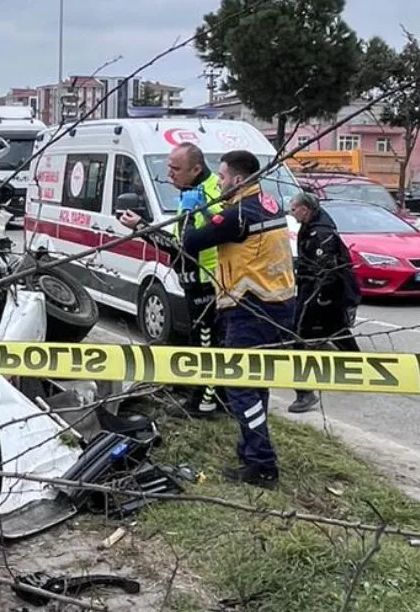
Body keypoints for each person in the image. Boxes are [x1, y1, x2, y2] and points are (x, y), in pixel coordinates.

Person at [182, 150, 296, 489]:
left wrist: (191, 211)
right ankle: (250, 454)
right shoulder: (268, 203)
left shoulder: (238, 215)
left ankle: (262, 464)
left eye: (222, 177)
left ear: (237, 179)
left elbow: (191, 241)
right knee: (255, 383)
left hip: (250, 307)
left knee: (240, 387)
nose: (218, 183)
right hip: (278, 303)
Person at [117, 142, 225, 417]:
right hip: (196, 278)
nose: (169, 174)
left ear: (196, 169)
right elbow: (179, 242)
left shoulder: (204, 196)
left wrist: (141, 228)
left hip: (207, 281)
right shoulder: (194, 191)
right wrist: (142, 226)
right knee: (202, 340)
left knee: (206, 343)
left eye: (175, 169)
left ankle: (205, 404)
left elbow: (182, 247)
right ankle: (206, 395)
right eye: (168, 167)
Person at [287, 191, 361, 413]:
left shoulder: (320, 233)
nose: (292, 214)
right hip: (320, 291)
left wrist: (321, 297)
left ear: (305, 209)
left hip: (320, 291)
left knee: (297, 335)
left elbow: (327, 270)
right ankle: (359, 367)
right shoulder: (312, 227)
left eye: (294, 209)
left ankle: (304, 393)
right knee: (336, 329)